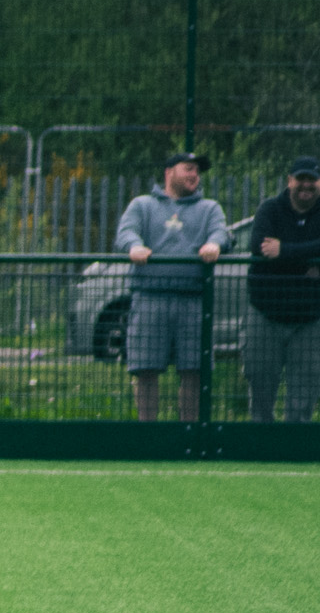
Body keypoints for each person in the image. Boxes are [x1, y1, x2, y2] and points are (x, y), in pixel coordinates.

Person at [115, 149, 229, 424]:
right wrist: (135, 246)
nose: (194, 175)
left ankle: (188, 431)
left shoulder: (209, 208)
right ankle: (147, 433)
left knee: (194, 370)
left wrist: (215, 243)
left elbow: (221, 232)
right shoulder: (143, 205)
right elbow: (125, 232)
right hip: (150, 297)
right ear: (169, 173)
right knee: (145, 369)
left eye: (196, 171)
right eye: (188, 168)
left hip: (193, 299)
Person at [240, 156, 320, 425]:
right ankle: (261, 444)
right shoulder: (270, 209)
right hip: (266, 311)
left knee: (305, 387)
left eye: (312, 179)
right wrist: (308, 263)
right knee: (259, 378)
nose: (306, 185)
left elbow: (275, 252)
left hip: (311, 318)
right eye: (301, 179)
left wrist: (284, 251)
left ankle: (294, 448)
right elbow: (259, 247)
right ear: (289, 181)